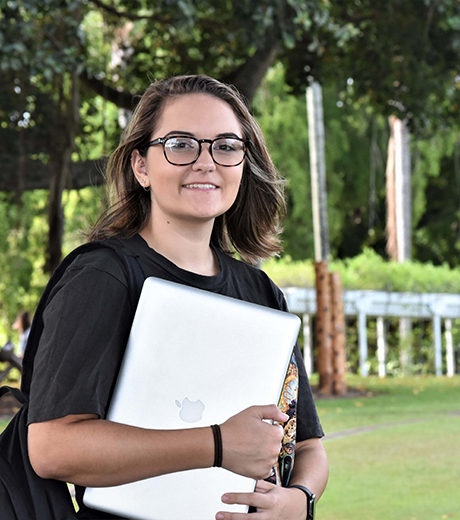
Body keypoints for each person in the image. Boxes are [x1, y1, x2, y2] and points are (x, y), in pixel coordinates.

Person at [26, 74, 328, 519]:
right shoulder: (103, 276)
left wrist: (297, 501)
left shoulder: (260, 293)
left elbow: (307, 446)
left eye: (226, 146)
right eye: (181, 144)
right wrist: (217, 443)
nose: (206, 162)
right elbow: (52, 447)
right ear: (141, 166)